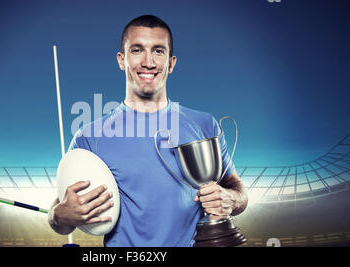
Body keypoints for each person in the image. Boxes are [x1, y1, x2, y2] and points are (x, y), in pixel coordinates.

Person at [48, 15, 248, 247]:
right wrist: (61, 215)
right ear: (121, 60)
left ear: (171, 63)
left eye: (158, 51)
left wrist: (230, 199)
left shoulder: (205, 125)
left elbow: (237, 190)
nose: (148, 62)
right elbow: (59, 219)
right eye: (137, 50)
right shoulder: (89, 137)